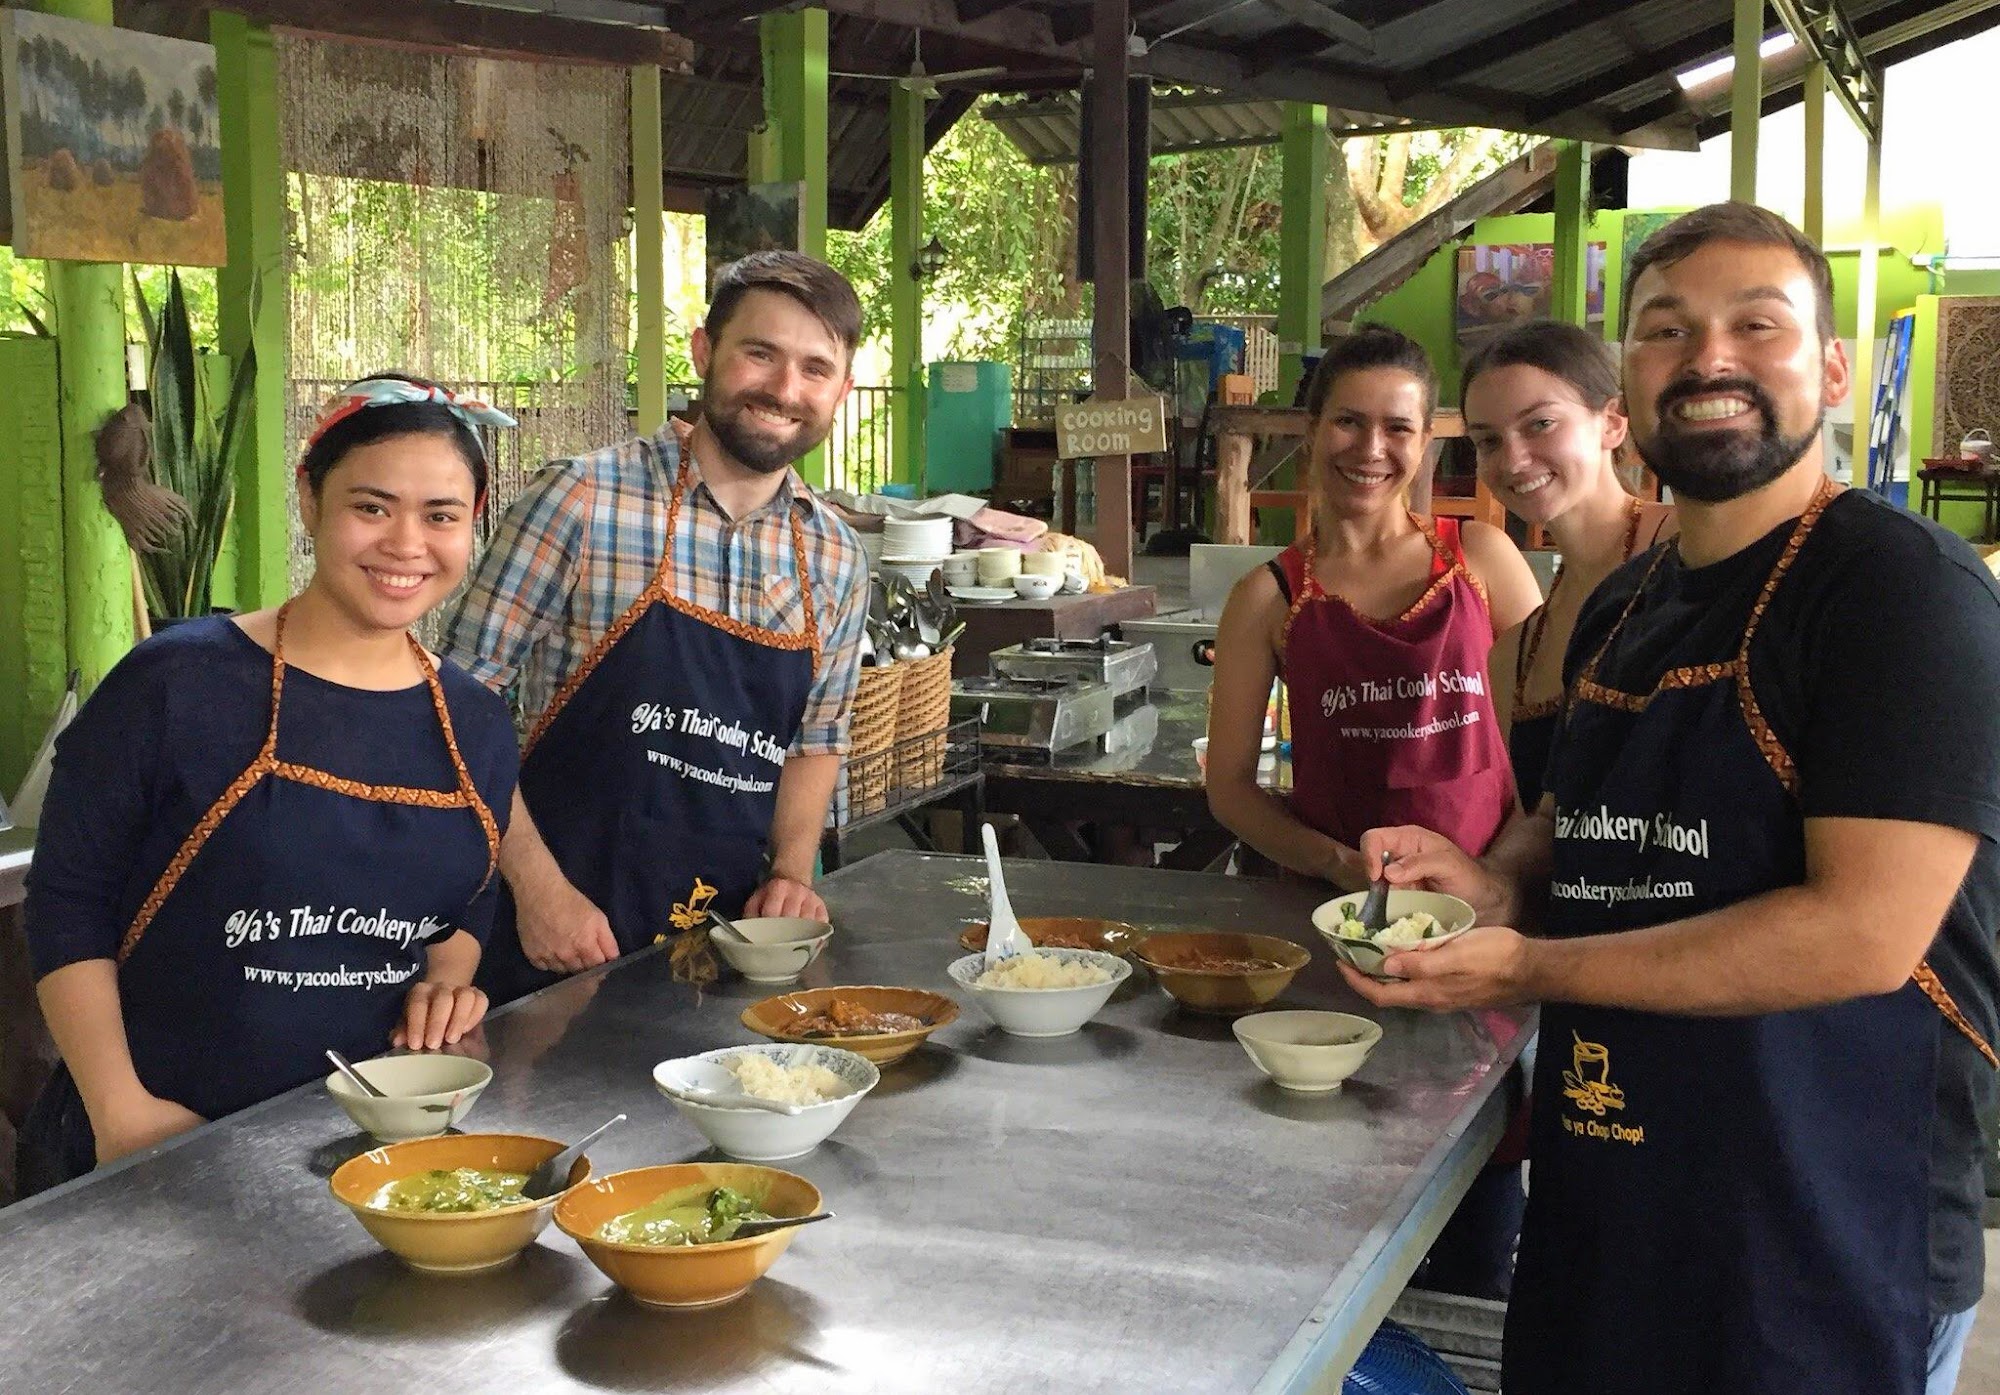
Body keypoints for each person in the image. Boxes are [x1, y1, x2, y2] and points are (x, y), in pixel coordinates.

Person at [1346, 202, 2000, 1395]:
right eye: (1665, 331)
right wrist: (1489, 884)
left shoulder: (1898, 593)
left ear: (1833, 368)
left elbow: (1860, 932)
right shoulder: (1624, 603)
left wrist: (1525, 967)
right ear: (1632, 384)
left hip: (1820, 1225)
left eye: (1757, 325)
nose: (1707, 359)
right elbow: (1583, 829)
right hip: (1616, 1184)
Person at [18, 375, 520, 1194]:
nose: (406, 544)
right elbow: (67, 900)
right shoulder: (178, 680)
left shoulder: (476, 723)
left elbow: (468, 908)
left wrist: (445, 985)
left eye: (441, 516)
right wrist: (122, 1114)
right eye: (371, 506)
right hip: (153, 1139)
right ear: (310, 497)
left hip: (365, 1152)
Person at [443, 251, 869, 1003]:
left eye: (814, 368)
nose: (784, 389)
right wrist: (539, 891)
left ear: (842, 389)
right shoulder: (580, 499)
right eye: (760, 354)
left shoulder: (834, 556)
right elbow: (450, 708)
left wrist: (792, 875)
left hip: (725, 951)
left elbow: (815, 741)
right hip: (555, 941)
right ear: (705, 352)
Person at [1206, 326, 1542, 893]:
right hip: (1339, 911)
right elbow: (1230, 790)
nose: (1371, 449)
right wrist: (1340, 867)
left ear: (1425, 440)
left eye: (1398, 428)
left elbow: (1558, 743)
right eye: (1348, 421)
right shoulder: (1267, 597)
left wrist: (1496, 878)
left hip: (1486, 897)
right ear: (1313, 430)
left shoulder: (1481, 558)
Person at [1465, 320, 1677, 815]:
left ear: (1612, 422)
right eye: (1488, 441)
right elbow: (1537, 830)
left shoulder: (1686, 548)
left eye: (1541, 424)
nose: (1514, 460)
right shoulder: (1513, 656)